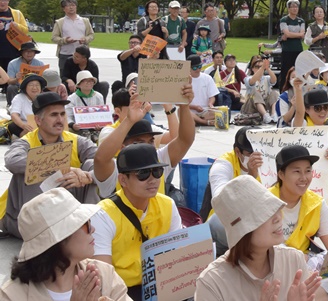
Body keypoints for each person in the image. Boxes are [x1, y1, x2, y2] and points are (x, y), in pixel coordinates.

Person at [1, 92, 112, 238]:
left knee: (92, 166)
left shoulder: (76, 140)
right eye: (53, 115)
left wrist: (88, 177)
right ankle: (45, 231)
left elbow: (102, 160)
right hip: (28, 218)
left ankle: (91, 227)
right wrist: (61, 168)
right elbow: (12, 161)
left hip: (68, 210)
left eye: (62, 114)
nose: (60, 120)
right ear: (38, 120)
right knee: (32, 169)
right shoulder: (26, 142)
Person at [195, 175, 323, 301]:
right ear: (242, 231)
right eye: (265, 214)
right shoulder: (212, 284)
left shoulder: (293, 260)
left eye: (275, 208)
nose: (278, 217)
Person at [0, 188, 130, 301]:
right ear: (59, 239)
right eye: (85, 224)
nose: (93, 229)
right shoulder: (12, 295)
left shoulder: (104, 275)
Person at [91, 144, 183, 301]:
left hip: (161, 285)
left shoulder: (168, 204)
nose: (153, 180)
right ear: (123, 180)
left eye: (157, 172)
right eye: (143, 174)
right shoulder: (103, 214)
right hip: (121, 290)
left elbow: (178, 256)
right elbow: (103, 277)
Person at [269, 145, 328, 300]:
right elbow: (260, 250)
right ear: (281, 174)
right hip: (273, 267)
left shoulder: (316, 203)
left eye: (308, 170)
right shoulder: (266, 201)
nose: (304, 178)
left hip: (304, 269)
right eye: (296, 171)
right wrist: (296, 259)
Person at [93, 82, 194, 198]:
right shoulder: (114, 171)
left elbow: (184, 140)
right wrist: (129, 121)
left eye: (157, 172)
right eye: (138, 143)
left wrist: (184, 106)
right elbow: (101, 158)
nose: (152, 180)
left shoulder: (158, 158)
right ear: (122, 147)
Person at [51, 0, 95, 73]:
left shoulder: (85, 21)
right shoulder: (60, 22)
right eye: (68, 5)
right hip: (65, 54)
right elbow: (54, 37)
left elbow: (91, 35)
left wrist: (85, 39)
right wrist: (65, 40)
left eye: (73, 5)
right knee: (65, 77)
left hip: (82, 55)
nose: (71, 7)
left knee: (83, 77)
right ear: (63, 8)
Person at [66, 71, 105, 140]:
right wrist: (73, 125)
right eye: (86, 81)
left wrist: (100, 125)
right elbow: (68, 115)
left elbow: (102, 114)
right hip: (79, 129)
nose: (89, 83)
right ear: (79, 84)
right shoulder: (72, 98)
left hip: (95, 128)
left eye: (91, 81)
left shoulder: (99, 96)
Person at [279, 0, 306, 90]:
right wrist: (296, 35)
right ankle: (283, 90)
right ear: (288, 8)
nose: (295, 9)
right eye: (292, 7)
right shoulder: (284, 20)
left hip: (298, 49)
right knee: (285, 71)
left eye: (296, 7)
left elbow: (302, 35)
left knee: (299, 70)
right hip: (287, 50)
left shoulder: (301, 21)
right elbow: (287, 33)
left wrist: (291, 35)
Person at [0, 0, 29, 74]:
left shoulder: (17, 13)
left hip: (13, 52)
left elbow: (25, 30)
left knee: (12, 78)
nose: (2, 3)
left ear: (9, 0)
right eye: (0, 0)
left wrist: (17, 26)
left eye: (4, 0)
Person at [8, 74, 45, 138]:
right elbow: (14, 115)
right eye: (31, 85)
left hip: (42, 125)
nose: (34, 88)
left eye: (37, 85)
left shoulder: (45, 97)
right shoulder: (19, 98)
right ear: (25, 87)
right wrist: (23, 125)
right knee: (12, 126)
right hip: (25, 125)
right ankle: (27, 139)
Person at [244, 54, 278, 123]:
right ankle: (265, 115)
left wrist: (267, 68)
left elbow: (274, 80)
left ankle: (273, 114)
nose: (259, 68)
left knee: (274, 93)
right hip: (250, 107)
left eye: (261, 66)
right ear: (252, 68)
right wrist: (262, 68)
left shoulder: (266, 78)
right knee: (256, 92)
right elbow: (252, 81)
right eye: (257, 67)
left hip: (264, 105)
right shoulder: (248, 78)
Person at [187, 55, 219, 126]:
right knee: (181, 111)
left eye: (199, 67)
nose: (198, 70)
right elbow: (181, 103)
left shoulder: (207, 78)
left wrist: (210, 104)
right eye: (195, 68)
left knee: (219, 113)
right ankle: (204, 122)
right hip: (190, 110)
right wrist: (194, 107)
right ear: (188, 68)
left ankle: (198, 120)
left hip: (205, 110)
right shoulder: (184, 80)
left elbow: (212, 96)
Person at [5, 41, 40, 105]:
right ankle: (11, 105)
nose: (29, 53)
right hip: (19, 87)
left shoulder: (39, 63)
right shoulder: (13, 63)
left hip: (34, 87)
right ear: (22, 53)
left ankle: (40, 105)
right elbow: (9, 81)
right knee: (11, 87)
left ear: (35, 53)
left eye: (31, 51)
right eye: (26, 51)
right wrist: (16, 79)